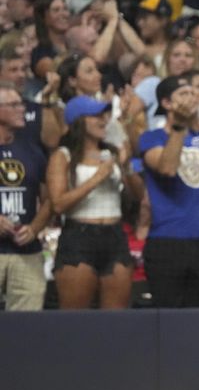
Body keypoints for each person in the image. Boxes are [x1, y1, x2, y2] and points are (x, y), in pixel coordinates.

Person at [140, 74, 199, 307]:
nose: (192, 98)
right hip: (166, 240)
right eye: (184, 94)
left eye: (194, 93)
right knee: (166, 317)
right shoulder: (152, 138)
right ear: (166, 103)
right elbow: (167, 168)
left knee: (197, 317)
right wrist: (180, 126)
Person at [46, 96, 135, 309]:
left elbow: (134, 197)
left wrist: (127, 169)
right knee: (76, 319)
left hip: (115, 234)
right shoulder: (63, 156)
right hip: (79, 235)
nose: (103, 120)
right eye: (95, 116)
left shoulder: (111, 153)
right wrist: (97, 178)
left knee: (117, 320)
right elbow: (58, 204)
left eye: (104, 115)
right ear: (78, 121)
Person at [0, 82, 51, 310]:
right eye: (14, 105)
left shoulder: (32, 150)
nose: (22, 109)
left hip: (27, 252)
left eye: (21, 103)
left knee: (27, 323)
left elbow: (49, 199)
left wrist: (35, 228)